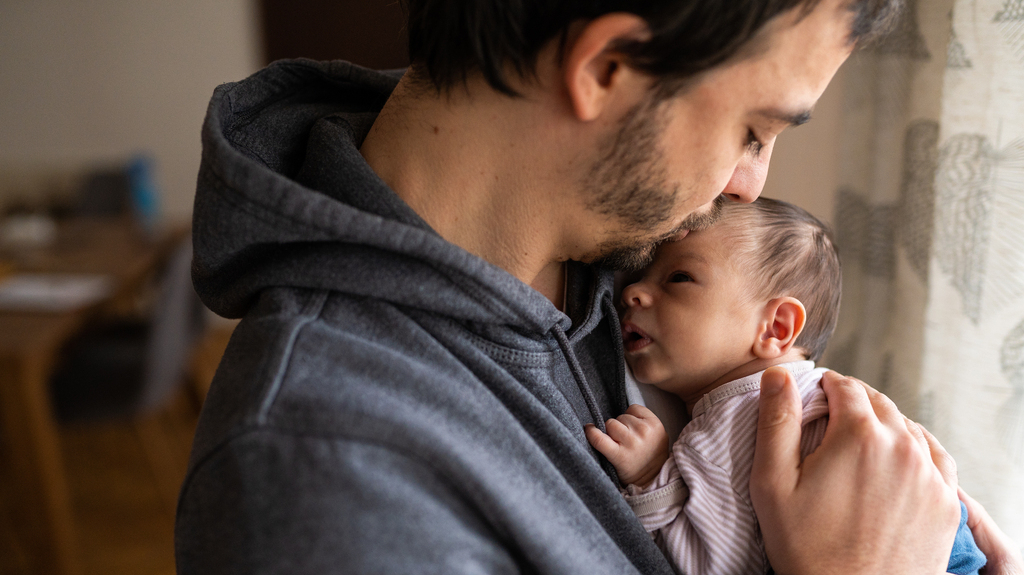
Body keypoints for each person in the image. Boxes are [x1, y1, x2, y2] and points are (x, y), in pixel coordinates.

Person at [176, 0, 1024, 572]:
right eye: (753, 128)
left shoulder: (626, 259)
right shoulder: (320, 477)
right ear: (609, 66)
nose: (748, 185)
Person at [585, 197, 987, 575]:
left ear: (776, 328)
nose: (632, 292)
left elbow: (717, 565)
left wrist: (654, 473)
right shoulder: (828, 394)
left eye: (679, 278)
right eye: (638, 277)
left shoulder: (728, 428)